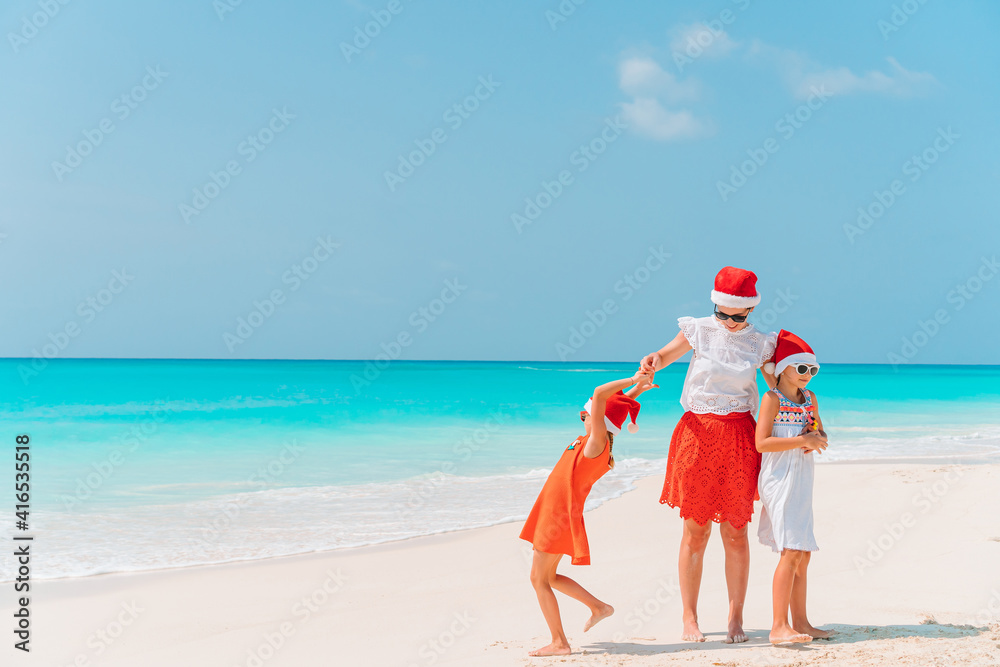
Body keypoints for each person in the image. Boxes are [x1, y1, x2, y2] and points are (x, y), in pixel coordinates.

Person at [639, 266, 777, 644]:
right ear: (714, 307)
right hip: (697, 434)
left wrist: (805, 419)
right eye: (723, 314)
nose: (729, 322)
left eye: (738, 316)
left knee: (735, 532)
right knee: (695, 531)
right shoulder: (698, 329)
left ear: (750, 311)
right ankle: (689, 618)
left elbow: (776, 388)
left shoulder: (760, 343)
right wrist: (653, 360)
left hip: (739, 437)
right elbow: (664, 357)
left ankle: (735, 619)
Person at [519, 370, 657, 657]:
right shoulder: (594, 442)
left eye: (586, 414)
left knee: (538, 579)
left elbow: (600, 394)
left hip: (556, 517)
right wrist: (635, 394)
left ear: (596, 419)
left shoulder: (595, 445)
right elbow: (611, 406)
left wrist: (632, 380)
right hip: (555, 513)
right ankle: (598, 607)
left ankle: (559, 643)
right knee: (550, 577)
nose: (582, 416)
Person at [756, 330, 833, 643]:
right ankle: (778, 626)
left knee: (803, 553)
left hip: (802, 478)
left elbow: (821, 432)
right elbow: (761, 443)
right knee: (790, 551)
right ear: (783, 367)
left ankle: (801, 623)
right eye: (801, 369)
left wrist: (817, 438)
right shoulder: (772, 398)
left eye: (812, 370)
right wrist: (802, 439)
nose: (807, 376)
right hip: (778, 479)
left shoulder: (810, 399)